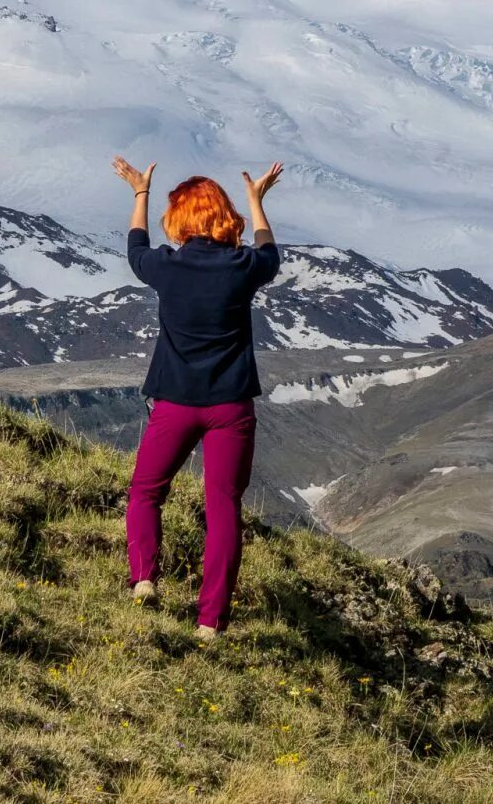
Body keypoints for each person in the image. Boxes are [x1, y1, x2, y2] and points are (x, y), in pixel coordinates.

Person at [111, 154, 283, 641]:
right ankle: (210, 623)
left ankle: (144, 578)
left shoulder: (167, 268)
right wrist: (257, 202)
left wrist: (140, 193)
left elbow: (136, 248)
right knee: (224, 508)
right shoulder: (244, 266)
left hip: (174, 403)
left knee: (146, 491)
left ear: (180, 219)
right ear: (224, 216)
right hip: (231, 407)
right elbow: (270, 254)